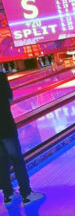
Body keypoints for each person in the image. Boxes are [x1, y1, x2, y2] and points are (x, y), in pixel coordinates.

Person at [0, 71, 44, 207]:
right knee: (17, 159)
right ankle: (27, 194)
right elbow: (9, 99)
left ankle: (8, 196)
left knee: (2, 162)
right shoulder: (0, 77)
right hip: (5, 126)